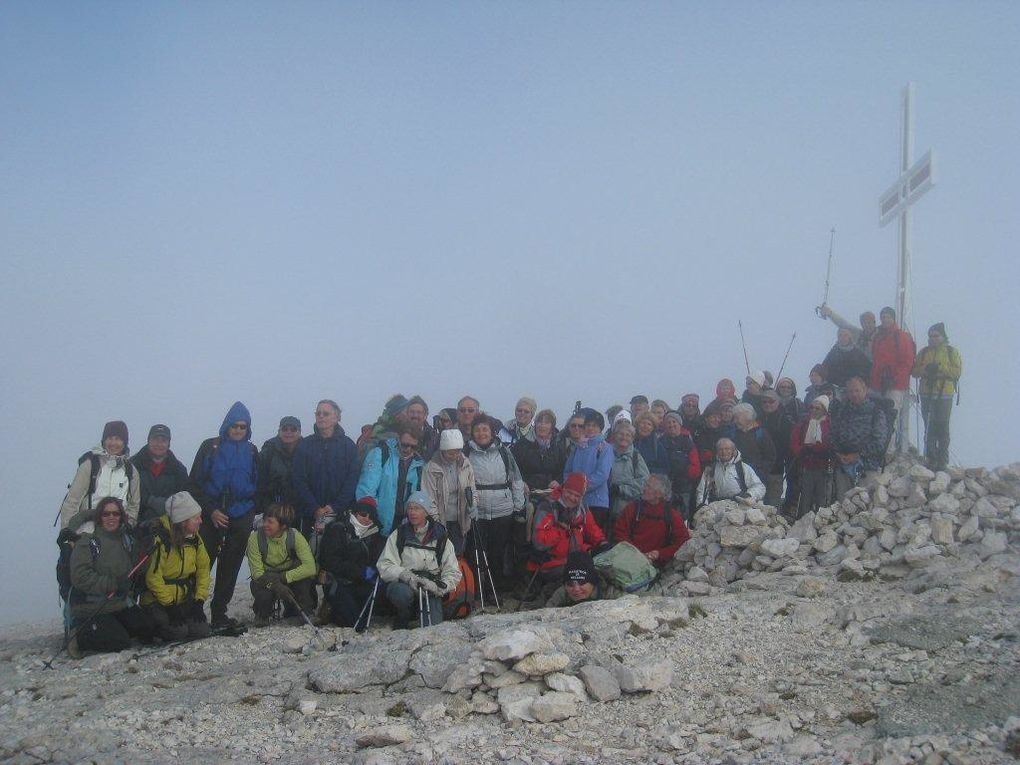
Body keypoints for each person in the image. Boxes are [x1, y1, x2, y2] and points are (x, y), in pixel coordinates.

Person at [189, 401, 259, 629]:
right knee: (202, 562)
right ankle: (194, 610)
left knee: (231, 565)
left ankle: (219, 612)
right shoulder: (211, 447)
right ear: (227, 426)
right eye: (235, 426)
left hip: (241, 514)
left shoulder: (252, 450)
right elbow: (196, 483)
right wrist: (211, 510)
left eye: (243, 426)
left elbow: (258, 483)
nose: (238, 430)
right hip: (212, 513)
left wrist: (251, 512)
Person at [66, 497, 155, 658]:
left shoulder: (127, 540)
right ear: (99, 516)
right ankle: (79, 636)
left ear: (121, 516)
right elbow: (80, 576)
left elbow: (138, 567)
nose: (111, 517)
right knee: (119, 642)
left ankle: (112, 627)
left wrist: (146, 542)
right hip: (93, 606)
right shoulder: (88, 541)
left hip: (118, 602)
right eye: (106, 514)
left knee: (148, 630)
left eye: (115, 513)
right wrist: (112, 584)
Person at [377, 491, 462, 628]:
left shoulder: (441, 537)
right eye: (410, 508)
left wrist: (439, 586)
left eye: (417, 508)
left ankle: (423, 613)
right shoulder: (399, 534)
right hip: (405, 583)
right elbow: (384, 564)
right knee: (401, 594)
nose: (412, 512)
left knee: (433, 628)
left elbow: (453, 571)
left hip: (430, 586)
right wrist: (404, 575)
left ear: (426, 512)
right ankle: (404, 616)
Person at [141, 491, 212, 641]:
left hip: (183, 598)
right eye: (196, 518)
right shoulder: (161, 540)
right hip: (157, 601)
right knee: (178, 632)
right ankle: (153, 627)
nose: (201, 521)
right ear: (183, 521)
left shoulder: (195, 539)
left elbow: (203, 570)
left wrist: (199, 600)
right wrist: (169, 606)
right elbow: (153, 578)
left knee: (201, 631)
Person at [466, 414, 526, 589]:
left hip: (503, 509)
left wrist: (519, 506)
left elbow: (516, 479)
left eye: (485, 429)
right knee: (476, 551)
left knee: (498, 551)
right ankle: (477, 587)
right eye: (477, 429)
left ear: (492, 432)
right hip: (478, 510)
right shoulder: (466, 453)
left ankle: (496, 588)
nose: (481, 433)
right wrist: (470, 507)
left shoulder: (504, 452)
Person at [292, 399, 358, 542]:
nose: (321, 416)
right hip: (309, 515)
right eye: (318, 413)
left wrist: (334, 506)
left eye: (326, 413)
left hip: (339, 516)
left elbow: (352, 480)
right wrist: (315, 508)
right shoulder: (305, 445)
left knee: (334, 559)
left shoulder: (348, 446)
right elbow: (298, 479)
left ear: (336, 418)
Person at [60, 420, 140, 534]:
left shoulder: (131, 470)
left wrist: (128, 526)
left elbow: (134, 504)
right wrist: (67, 534)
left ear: (124, 442)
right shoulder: (90, 465)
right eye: (110, 438)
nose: (113, 443)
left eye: (118, 439)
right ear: (104, 440)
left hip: (117, 538)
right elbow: (72, 501)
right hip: (88, 534)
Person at [318, 498, 387, 627]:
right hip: (339, 582)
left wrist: (374, 572)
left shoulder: (376, 535)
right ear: (354, 513)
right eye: (363, 514)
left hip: (362, 583)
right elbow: (329, 561)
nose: (366, 518)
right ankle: (330, 606)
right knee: (355, 624)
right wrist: (360, 571)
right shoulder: (337, 529)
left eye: (371, 516)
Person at [246, 503, 317, 627]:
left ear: (283, 526)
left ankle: (305, 611)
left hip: (287, 574)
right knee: (264, 594)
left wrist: (284, 577)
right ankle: (262, 614)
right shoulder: (255, 538)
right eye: (264, 521)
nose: (265, 525)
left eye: (270, 522)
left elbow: (310, 567)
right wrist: (276, 585)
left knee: (303, 578)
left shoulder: (295, 536)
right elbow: (257, 574)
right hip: (265, 578)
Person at [530, 472, 606, 580]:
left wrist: (602, 543)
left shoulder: (582, 507)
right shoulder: (548, 506)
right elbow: (539, 542)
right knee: (580, 576)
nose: (572, 498)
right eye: (569, 492)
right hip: (550, 562)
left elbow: (592, 528)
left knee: (597, 570)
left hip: (573, 558)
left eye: (577, 496)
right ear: (563, 488)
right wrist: (562, 530)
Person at [356, 422, 426, 535]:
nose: (408, 449)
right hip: (377, 523)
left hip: (404, 525)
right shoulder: (380, 454)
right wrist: (371, 515)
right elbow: (366, 489)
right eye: (404, 444)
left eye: (413, 446)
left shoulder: (419, 464)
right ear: (398, 438)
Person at [912, 322, 962, 471]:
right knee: (929, 426)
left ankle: (942, 460)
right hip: (927, 393)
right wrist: (926, 370)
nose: (933, 338)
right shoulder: (923, 352)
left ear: (943, 336)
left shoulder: (951, 352)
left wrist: (939, 368)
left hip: (944, 394)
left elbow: (957, 372)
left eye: (936, 336)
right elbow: (914, 371)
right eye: (931, 336)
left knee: (942, 426)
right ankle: (931, 458)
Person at [830, 377, 890, 499]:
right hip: (843, 467)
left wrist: (857, 455)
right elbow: (832, 435)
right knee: (843, 507)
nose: (854, 394)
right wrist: (838, 453)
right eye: (850, 391)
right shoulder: (842, 411)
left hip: (867, 468)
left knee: (865, 508)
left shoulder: (876, 412)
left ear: (865, 390)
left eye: (857, 390)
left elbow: (879, 443)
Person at [612, 474, 691, 566]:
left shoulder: (672, 515)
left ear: (659, 494)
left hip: (656, 564)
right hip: (629, 558)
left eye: (648, 487)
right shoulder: (633, 508)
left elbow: (683, 542)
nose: (644, 489)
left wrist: (660, 553)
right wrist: (634, 552)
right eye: (645, 485)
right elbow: (619, 532)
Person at [422, 429, 476, 555]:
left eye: (458, 452)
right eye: (451, 453)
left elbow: (471, 488)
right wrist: (437, 522)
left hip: (461, 519)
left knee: (457, 554)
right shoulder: (431, 468)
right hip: (441, 519)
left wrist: (473, 505)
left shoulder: (466, 464)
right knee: (441, 553)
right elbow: (429, 497)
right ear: (443, 451)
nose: (455, 456)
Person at [870, 307, 916, 453]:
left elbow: (907, 362)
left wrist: (894, 378)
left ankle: (888, 450)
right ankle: (877, 448)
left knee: (890, 417)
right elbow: (875, 359)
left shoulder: (902, 336)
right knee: (876, 416)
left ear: (894, 318)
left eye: (888, 317)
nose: (885, 320)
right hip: (877, 384)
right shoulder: (878, 337)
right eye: (883, 317)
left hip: (895, 385)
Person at [562, 408, 615, 534]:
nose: (590, 428)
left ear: (600, 428)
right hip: (575, 501)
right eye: (588, 425)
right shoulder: (578, 447)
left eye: (594, 426)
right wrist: (570, 488)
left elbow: (602, 474)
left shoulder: (605, 448)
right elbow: (567, 470)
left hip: (596, 502)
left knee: (593, 536)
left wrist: (580, 487)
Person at [131, 424, 190, 529]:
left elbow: (184, 497)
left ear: (168, 444)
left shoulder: (179, 470)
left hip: (169, 527)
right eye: (155, 439)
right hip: (137, 525)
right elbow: (127, 493)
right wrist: (150, 501)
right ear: (148, 440)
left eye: (163, 440)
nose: (159, 444)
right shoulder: (133, 465)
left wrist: (167, 504)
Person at [789, 395, 833, 518]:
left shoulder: (829, 424)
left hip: (823, 466)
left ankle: (820, 521)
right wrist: (801, 451)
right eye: (812, 407)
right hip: (806, 465)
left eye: (817, 408)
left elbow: (832, 442)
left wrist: (821, 450)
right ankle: (802, 520)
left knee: (822, 496)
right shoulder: (804, 423)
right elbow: (794, 440)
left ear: (824, 410)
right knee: (805, 497)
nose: (813, 410)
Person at [695, 438, 766, 507]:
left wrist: (749, 494)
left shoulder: (743, 468)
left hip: (740, 508)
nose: (724, 452)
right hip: (717, 508)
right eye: (721, 449)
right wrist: (703, 507)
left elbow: (759, 487)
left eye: (727, 449)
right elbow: (702, 491)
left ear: (733, 450)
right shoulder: (711, 469)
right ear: (717, 452)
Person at [512, 409, 567, 493]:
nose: (542, 426)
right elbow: (513, 468)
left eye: (546, 423)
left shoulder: (558, 445)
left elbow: (565, 468)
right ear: (535, 424)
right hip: (527, 492)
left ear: (552, 426)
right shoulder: (522, 444)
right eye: (539, 422)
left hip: (552, 492)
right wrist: (521, 483)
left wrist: (558, 481)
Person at [660, 411, 702, 520]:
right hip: (665, 486)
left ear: (680, 424)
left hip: (684, 487)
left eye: (674, 422)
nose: (671, 425)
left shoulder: (688, 442)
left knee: (682, 515)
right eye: (668, 422)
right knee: (664, 515)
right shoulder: (660, 442)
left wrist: (684, 470)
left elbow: (696, 467)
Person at [257, 416, 302, 515]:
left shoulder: (307, 451)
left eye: (293, 429)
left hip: (300, 509)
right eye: (285, 429)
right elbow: (259, 483)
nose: (288, 432)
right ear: (279, 431)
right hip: (272, 509)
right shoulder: (268, 452)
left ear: (299, 432)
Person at [608, 420, 650, 526]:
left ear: (632, 439)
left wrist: (621, 489)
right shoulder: (605, 453)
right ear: (614, 436)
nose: (624, 437)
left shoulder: (636, 458)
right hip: (605, 509)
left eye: (628, 435)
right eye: (621, 434)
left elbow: (645, 483)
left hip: (627, 511)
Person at [544, 551, 621, 607]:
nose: (576, 589)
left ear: (593, 583)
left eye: (582, 582)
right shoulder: (561, 594)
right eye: (570, 584)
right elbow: (546, 613)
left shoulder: (611, 593)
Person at [760, 391, 794, 509]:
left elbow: (787, 446)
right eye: (764, 401)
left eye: (771, 401)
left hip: (776, 468)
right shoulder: (757, 419)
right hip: (758, 469)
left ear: (778, 402)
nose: (767, 404)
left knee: (772, 504)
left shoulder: (784, 421)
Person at [731, 403, 776, 485]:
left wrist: (761, 472)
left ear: (748, 417)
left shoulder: (761, 434)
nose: (735, 421)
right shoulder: (733, 434)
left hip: (757, 479)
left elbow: (770, 456)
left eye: (737, 418)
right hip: (736, 479)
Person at [406, 397, 439, 461]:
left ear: (425, 415)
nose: (415, 415)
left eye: (419, 412)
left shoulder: (434, 438)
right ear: (406, 414)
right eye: (412, 412)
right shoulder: (399, 435)